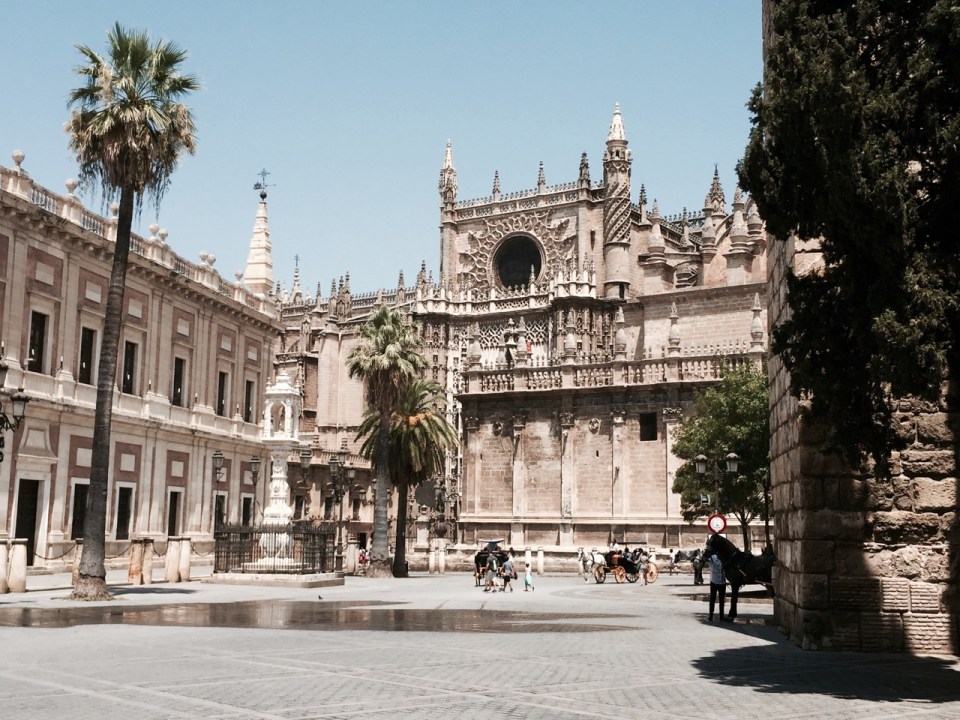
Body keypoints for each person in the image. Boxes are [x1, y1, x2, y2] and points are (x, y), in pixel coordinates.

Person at [706, 548, 727, 621]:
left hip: (719, 581)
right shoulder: (714, 558)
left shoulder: (722, 559)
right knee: (716, 599)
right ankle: (714, 615)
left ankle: (717, 615)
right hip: (717, 582)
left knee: (718, 600)